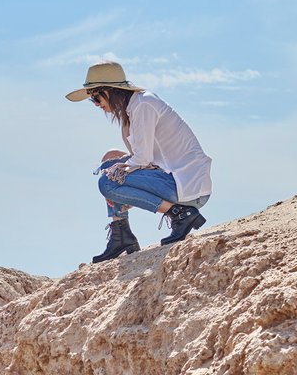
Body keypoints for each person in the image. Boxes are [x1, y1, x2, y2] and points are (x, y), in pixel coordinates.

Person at [66, 61, 213, 263]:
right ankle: (122, 235)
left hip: (186, 185)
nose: (97, 104)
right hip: (172, 180)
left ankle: (180, 213)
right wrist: (124, 191)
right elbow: (142, 160)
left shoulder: (143, 105)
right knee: (109, 160)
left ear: (110, 91)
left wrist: (118, 188)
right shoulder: (132, 110)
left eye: (96, 97)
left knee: (107, 182)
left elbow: (142, 159)